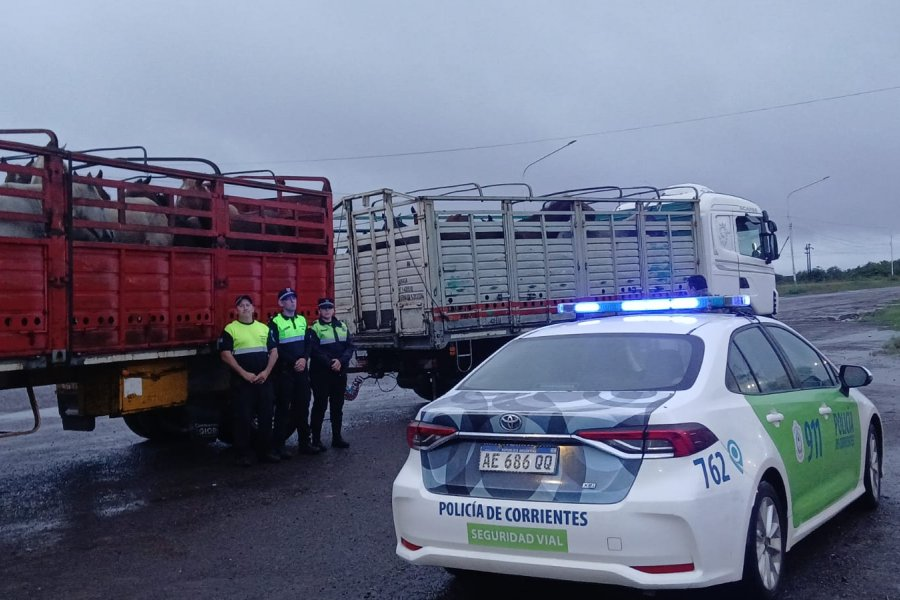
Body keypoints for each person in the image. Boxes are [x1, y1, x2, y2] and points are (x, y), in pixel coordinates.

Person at [219, 294, 280, 466]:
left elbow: (274, 352)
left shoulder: (264, 328)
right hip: (242, 382)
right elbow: (225, 355)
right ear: (236, 310)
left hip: (263, 380)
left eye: (248, 305)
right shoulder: (231, 329)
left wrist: (266, 373)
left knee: (266, 417)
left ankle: (265, 452)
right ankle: (242, 455)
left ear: (253, 308)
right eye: (241, 305)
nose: (245, 308)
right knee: (243, 418)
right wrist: (244, 374)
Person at [269, 287, 321, 457]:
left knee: (303, 407)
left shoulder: (302, 320)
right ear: (281, 303)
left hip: (301, 371)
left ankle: (304, 443)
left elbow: (308, 344)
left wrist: (304, 359)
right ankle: (279, 447)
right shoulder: (275, 322)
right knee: (283, 409)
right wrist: (294, 362)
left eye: (294, 298)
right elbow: (275, 348)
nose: (292, 301)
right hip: (285, 372)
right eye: (288, 298)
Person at [309, 297, 356, 450]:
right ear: (319, 310)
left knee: (337, 407)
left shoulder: (342, 326)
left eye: (329, 307)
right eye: (324, 308)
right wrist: (331, 363)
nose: (327, 310)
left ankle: (337, 438)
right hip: (321, 374)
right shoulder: (314, 328)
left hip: (339, 373)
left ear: (333, 310)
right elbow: (315, 351)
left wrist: (340, 362)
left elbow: (350, 347)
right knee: (320, 406)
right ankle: (316, 440)